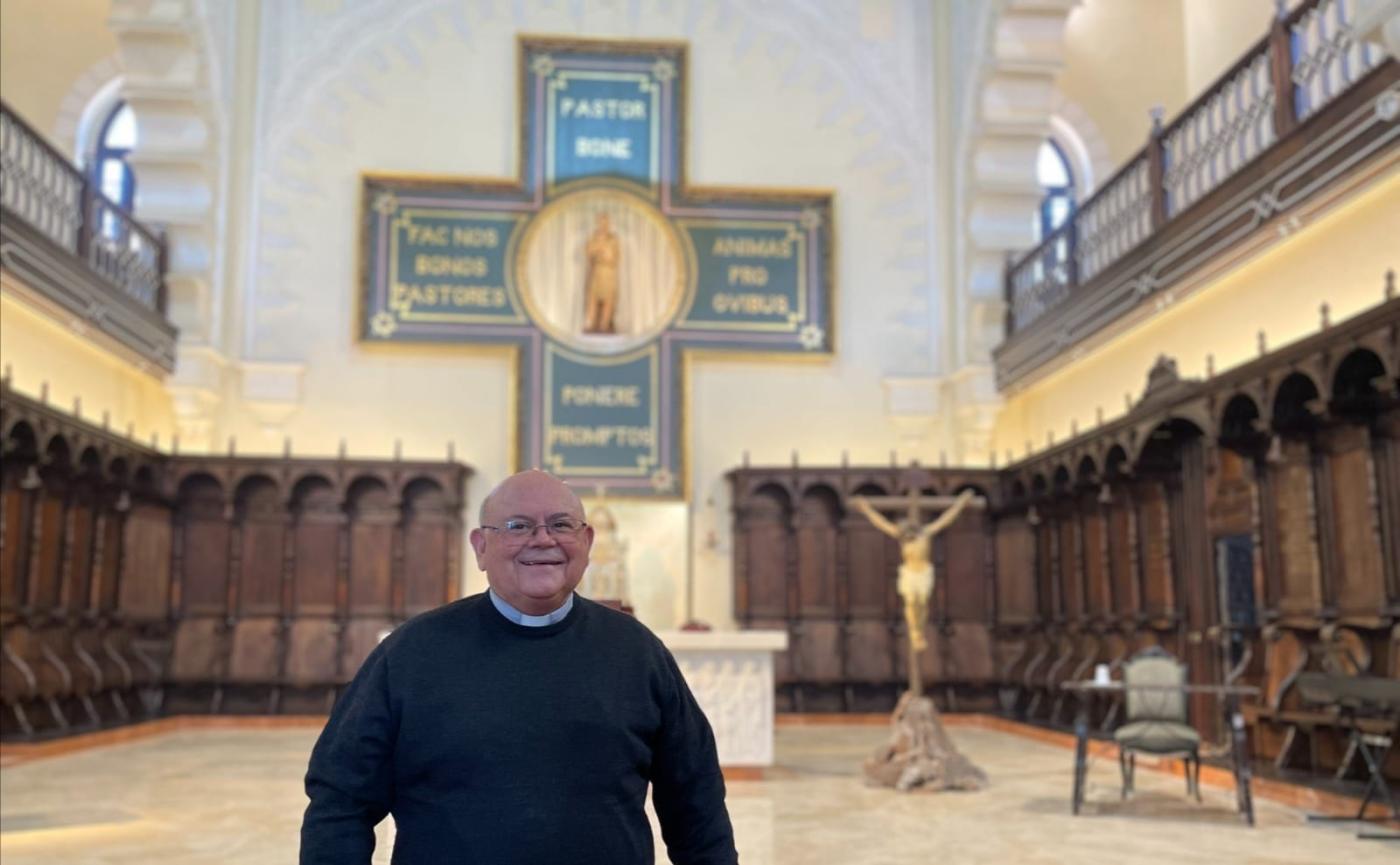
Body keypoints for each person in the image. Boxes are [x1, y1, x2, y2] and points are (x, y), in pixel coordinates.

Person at [300, 469, 737, 864]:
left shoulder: (638, 652)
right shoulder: (411, 653)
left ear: (585, 543)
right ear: (481, 547)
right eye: (518, 526)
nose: (543, 540)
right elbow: (341, 801)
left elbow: (696, 802)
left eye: (561, 524)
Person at [582, 212, 621, 334]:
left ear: (608, 223)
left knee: (608, 299)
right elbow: (589, 253)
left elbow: (615, 257)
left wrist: (605, 255)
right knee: (592, 298)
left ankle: (604, 325)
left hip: (608, 272)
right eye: (600, 222)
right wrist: (597, 252)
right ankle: (591, 323)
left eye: (605, 222)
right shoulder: (593, 238)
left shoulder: (613, 239)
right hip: (596, 271)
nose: (603, 224)